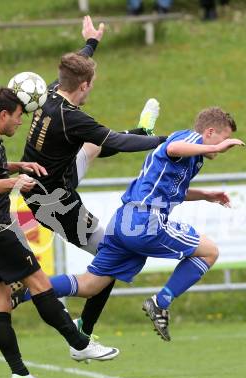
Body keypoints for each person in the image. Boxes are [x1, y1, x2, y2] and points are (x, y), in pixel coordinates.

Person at [11, 16, 166, 341]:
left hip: (50, 179)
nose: (90, 89)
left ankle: (144, 131)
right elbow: (117, 143)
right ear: (83, 86)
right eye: (90, 85)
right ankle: (80, 326)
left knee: (93, 145)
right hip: (55, 203)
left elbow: (77, 68)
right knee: (115, 255)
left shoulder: (52, 92)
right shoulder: (72, 118)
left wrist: (91, 43)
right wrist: (168, 142)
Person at [0, 86, 119, 378]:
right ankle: (80, 343)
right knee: (39, 282)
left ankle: (20, 374)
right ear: (3, 114)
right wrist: (15, 181)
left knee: (0, 301)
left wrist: (18, 167)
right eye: (18, 117)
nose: (20, 123)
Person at [34, 107, 245, 341]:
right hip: (146, 221)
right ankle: (160, 302)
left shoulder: (194, 156)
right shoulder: (188, 139)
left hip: (124, 220)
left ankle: (24, 289)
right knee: (210, 252)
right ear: (210, 131)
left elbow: (171, 190)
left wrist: (205, 195)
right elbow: (172, 148)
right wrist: (215, 147)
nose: (225, 147)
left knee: (89, 286)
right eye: (225, 139)